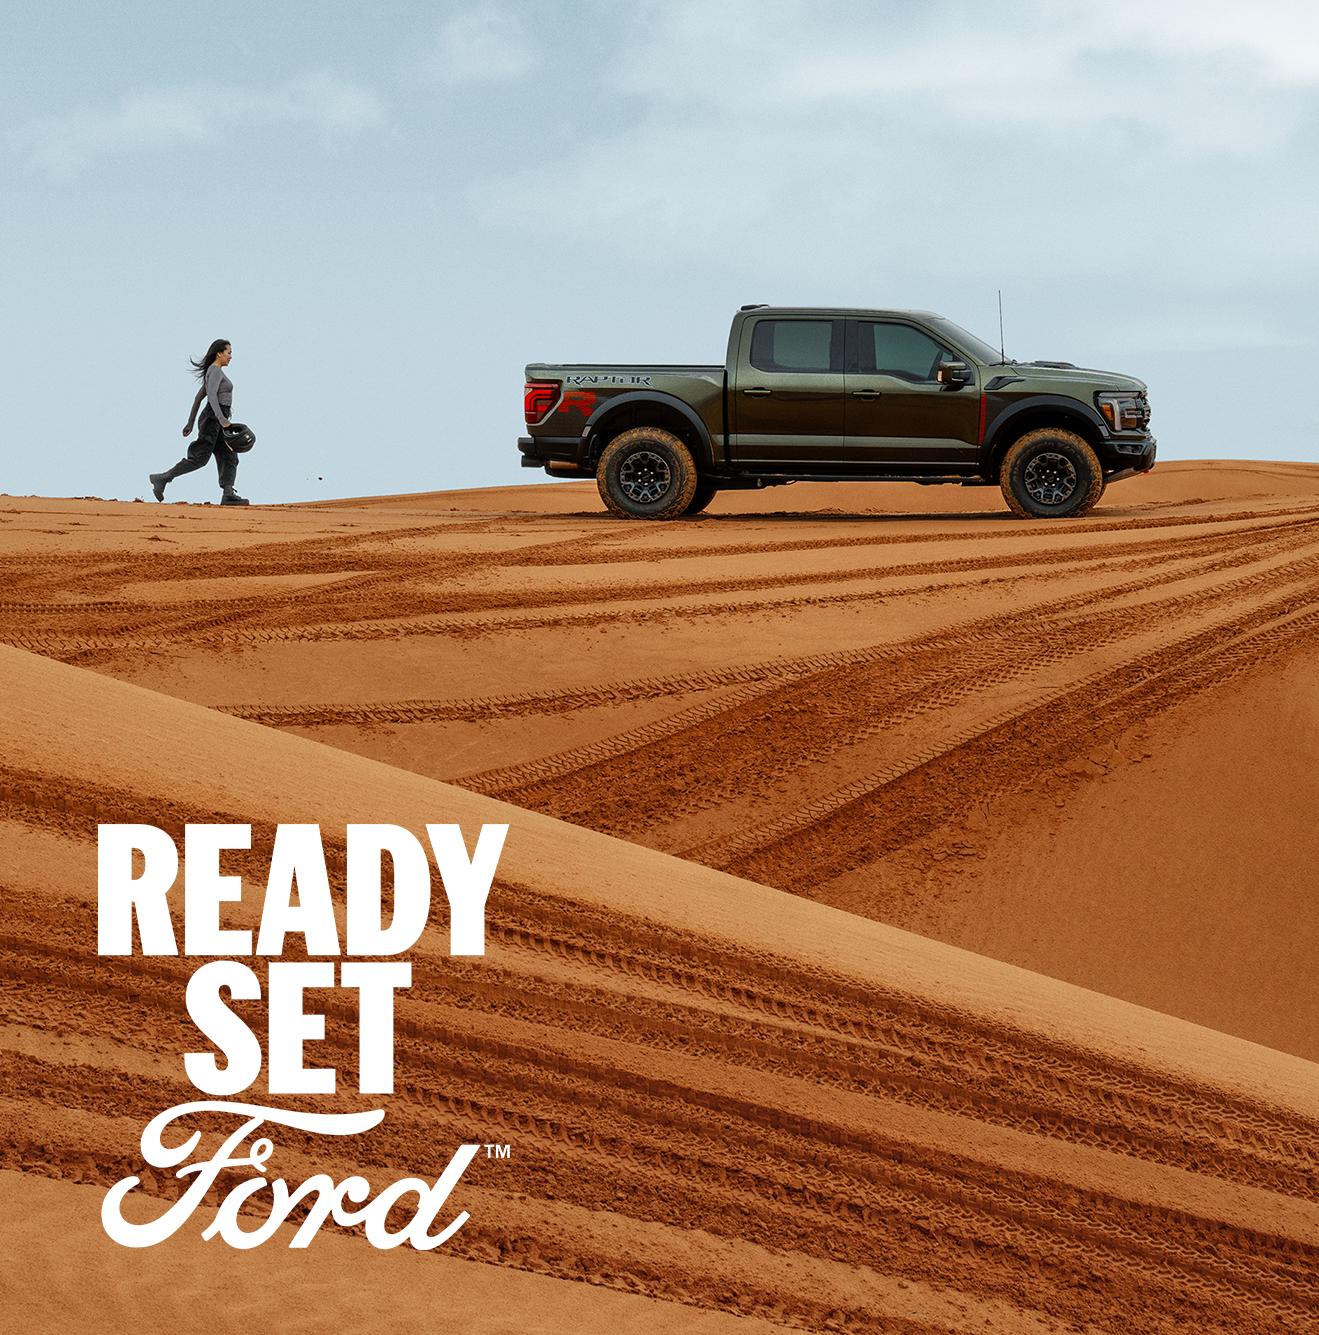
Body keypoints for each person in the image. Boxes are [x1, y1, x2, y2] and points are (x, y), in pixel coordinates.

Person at [149, 339, 249, 505]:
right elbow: (211, 397)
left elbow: (198, 398)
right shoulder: (215, 371)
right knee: (200, 458)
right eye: (229, 353)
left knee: (229, 455)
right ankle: (162, 478)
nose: (231, 357)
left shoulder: (213, 372)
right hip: (213, 419)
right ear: (219, 353)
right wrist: (223, 421)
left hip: (216, 418)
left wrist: (190, 422)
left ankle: (228, 493)